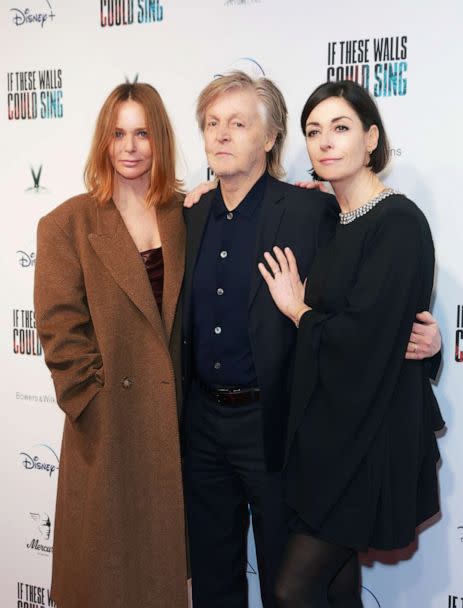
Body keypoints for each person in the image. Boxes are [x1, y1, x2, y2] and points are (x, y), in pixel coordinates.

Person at [181, 71, 441, 608]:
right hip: (202, 426)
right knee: (214, 576)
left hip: (280, 429)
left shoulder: (314, 210)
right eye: (212, 124)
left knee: (292, 584)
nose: (222, 135)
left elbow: (376, 306)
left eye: (237, 123)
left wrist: (427, 339)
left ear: (270, 137)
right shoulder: (190, 213)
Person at [258, 80, 444, 607]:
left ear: (370, 139)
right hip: (326, 439)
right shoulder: (335, 221)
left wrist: (298, 310)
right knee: (336, 588)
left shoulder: (400, 222)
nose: (325, 142)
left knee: (293, 589)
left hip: (368, 441)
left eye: (340, 128)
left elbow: (365, 341)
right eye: (313, 131)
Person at [34, 83, 188, 608]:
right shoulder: (67, 224)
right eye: (118, 133)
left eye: (142, 132)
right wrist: (92, 403)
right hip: (107, 429)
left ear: (159, 140)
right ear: (103, 142)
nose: (130, 146)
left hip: (175, 427)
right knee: (104, 580)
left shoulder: (186, 214)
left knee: (164, 580)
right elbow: (59, 330)